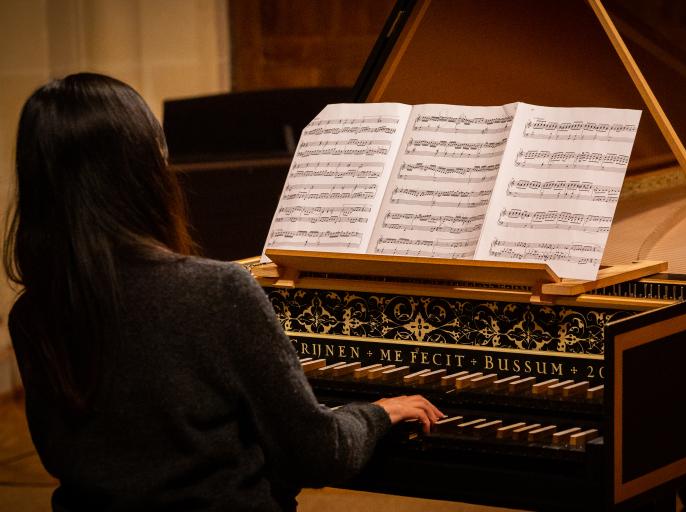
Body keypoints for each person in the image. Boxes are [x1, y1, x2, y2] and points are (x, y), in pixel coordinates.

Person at [4, 73, 443, 512]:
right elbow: (319, 455)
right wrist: (378, 412)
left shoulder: (32, 314)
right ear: (144, 171)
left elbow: (60, 457)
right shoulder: (215, 292)